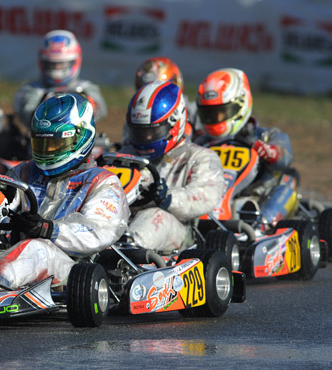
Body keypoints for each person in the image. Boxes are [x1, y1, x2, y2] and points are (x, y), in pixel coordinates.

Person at [0, 93, 129, 289]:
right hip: (17, 257)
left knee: (36, 250)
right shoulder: (24, 172)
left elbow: (98, 231)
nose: (48, 151)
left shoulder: (102, 181)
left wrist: (48, 229)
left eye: (55, 144)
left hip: (74, 271)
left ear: (81, 137)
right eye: (42, 144)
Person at [122, 80, 225, 253]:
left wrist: (168, 197)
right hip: (123, 221)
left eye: (152, 132)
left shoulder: (200, 157)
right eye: (140, 132)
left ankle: (126, 253)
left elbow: (205, 196)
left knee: (155, 216)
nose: (146, 138)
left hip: (178, 228)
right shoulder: (125, 154)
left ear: (174, 124)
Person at [195, 67, 297, 227]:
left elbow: (284, 157)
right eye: (209, 114)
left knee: (287, 182)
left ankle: (262, 226)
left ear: (241, 104)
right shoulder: (201, 141)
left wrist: (262, 148)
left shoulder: (264, 136)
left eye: (222, 112)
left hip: (255, 197)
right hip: (209, 200)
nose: (215, 119)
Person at [13, 30, 108, 130]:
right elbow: (27, 115)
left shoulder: (86, 88)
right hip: (44, 139)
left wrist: (92, 107)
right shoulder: (33, 89)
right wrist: (45, 107)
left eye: (62, 64)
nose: (57, 68)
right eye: (52, 64)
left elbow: (102, 111)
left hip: (80, 137)